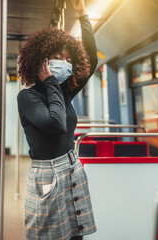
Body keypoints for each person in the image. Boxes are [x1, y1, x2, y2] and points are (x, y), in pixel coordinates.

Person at [17, 0, 97, 239]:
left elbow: (92, 61)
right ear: (42, 61)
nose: (65, 62)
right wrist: (51, 81)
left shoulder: (63, 92)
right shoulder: (28, 97)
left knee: (76, 234)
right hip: (47, 176)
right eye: (57, 57)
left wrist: (83, 15)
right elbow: (56, 124)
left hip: (72, 167)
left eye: (68, 59)